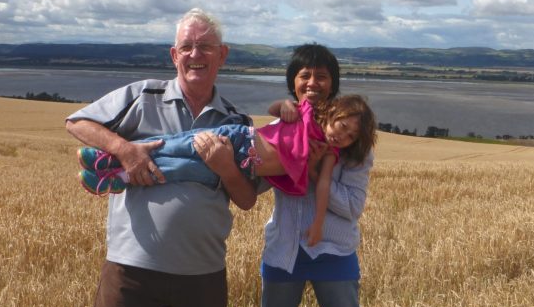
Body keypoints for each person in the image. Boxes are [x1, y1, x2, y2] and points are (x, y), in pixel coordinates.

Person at [65, 8, 258, 307]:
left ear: (222, 55)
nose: (195, 55)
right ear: (174, 55)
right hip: (132, 270)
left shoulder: (236, 121)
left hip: (203, 274)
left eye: (205, 47)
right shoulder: (143, 96)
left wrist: (227, 168)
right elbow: (77, 122)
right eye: (186, 47)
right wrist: (124, 150)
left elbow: (246, 199)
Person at [76, 95, 370, 246]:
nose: (340, 137)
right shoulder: (305, 113)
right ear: (333, 114)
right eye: (342, 127)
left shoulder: (328, 155)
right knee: (178, 146)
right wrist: (284, 105)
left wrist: (318, 223)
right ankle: (111, 156)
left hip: (244, 171)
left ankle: (119, 178)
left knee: (179, 169)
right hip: (240, 139)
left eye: (349, 137)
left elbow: (322, 188)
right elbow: (275, 108)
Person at [258, 44, 377, 307]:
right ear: (293, 82)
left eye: (322, 76)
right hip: (283, 252)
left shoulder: (353, 143)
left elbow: (352, 208)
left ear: (333, 84)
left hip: (335, 254)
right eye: (304, 75)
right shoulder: (278, 131)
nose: (312, 83)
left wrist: (310, 168)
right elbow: (255, 184)